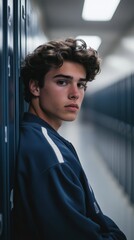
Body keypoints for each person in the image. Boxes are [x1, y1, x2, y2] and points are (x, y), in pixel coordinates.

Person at [13, 38, 127, 240]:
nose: (75, 94)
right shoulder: (51, 158)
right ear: (35, 87)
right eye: (62, 82)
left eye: (81, 84)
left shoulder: (41, 138)